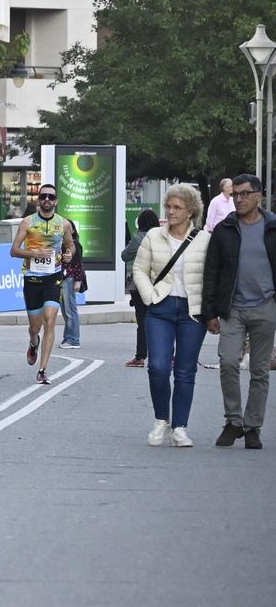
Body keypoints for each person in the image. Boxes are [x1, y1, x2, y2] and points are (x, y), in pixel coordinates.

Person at [131, 183, 211, 448]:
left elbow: (211, 276)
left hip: (192, 311)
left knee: (186, 371)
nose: (171, 211)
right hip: (160, 308)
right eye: (168, 206)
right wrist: (148, 295)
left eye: (177, 207)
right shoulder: (154, 236)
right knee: (158, 367)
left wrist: (212, 310)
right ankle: (161, 419)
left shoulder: (204, 239)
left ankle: (180, 427)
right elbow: (139, 270)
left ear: (191, 211)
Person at [202, 173, 276, 449]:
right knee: (229, 362)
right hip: (232, 308)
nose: (240, 199)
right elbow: (212, 271)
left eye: (245, 194)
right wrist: (209, 312)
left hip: (266, 307)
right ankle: (233, 422)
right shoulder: (225, 229)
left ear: (259, 196)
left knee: (260, 370)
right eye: (236, 195)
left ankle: (253, 427)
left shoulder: (272, 227)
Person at [10, 183, 75, 386]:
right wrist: (33, 253)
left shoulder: (64, 224)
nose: (47, 199)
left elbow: (70, 244)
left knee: (50, 320)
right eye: (43, 196)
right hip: (32, 278)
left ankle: (43, 369)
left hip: (53, 277)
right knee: (34, 326)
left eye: (51, 197)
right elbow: (14, 250)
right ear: (38, 200)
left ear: (56, 201)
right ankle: (33, 342)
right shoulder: (28, 222)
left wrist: (68, 254)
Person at [121, 209, 160, 368]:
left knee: (142, 322)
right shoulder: (162, 237)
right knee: (162, 321)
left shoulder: (138, 238)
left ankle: (140, 356)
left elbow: (124, 256)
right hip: (160, 285)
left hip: (140, 285)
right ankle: (168, 355)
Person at [58, 220, 86, 349]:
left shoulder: (75, 245)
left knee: (70, 310)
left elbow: (78, 264)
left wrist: (78, 281)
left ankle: (73, 339)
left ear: (73, 231)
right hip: (63, 278)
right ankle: (68, 337)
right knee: (65, 310)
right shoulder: (61, 244)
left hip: (70, 278)